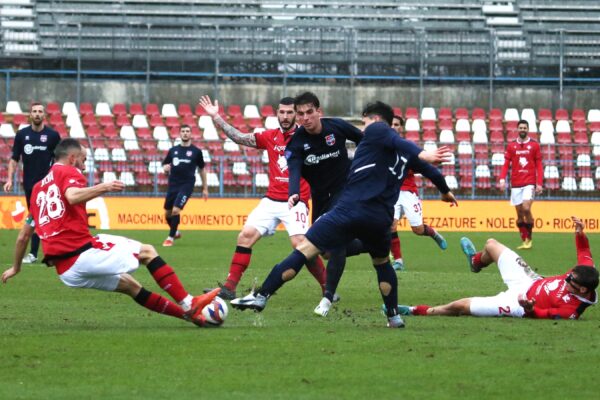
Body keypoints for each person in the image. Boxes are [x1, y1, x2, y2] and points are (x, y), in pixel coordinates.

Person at [231, 101, 457, 328]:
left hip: (349, 209)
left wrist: (425, 153)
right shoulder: (400, 153)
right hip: (381, 219)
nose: (363, 127)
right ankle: (393, 316)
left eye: (365, 121)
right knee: (381, 263)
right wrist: (446, 192)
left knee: (305, 249)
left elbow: (413, 152)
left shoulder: (378, 130)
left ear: (376, 121)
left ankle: (262, 295)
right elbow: (432, 172)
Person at [1, 138, 221, 327]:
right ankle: (189, 302)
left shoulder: (39, 189)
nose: (84, 166)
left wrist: (16, 268)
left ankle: (188, 316)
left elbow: (23, 236)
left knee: (130, 285)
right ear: (72, 158)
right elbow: (72, 196)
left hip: (65, 272)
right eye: (84, 160)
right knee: (147, 252)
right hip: (81, 254)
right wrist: (104, 187)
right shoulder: (70, 172)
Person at [197, 95, 327, 300]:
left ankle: (328, 288)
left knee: (301, 244)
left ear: (297, 115)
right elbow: (240, 137)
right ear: (276, 113)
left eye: (290, 112)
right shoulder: (270, 136)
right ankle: (229, 288)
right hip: (271, 200)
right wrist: (217, 118)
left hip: (296, 200)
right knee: (245, 235)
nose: (285, 116)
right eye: (282, 112)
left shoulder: (308, 136)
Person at [395, 216, 597, 320]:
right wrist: (580, 233)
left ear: (582, 290)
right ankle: (476, 262)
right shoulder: (585, 271)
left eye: (571, 281)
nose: (566, 279)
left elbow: (542, 315)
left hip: (518, 304)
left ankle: (415, 311)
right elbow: (584, 250)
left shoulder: (570, 311)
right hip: (531, 280)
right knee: (491, 244)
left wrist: (529, 307)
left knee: (461, 307)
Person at [284, 91, 364, 311]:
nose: (305, 118)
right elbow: (294, 170)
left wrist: (361, 165)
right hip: (320, 197)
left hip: (345, 191)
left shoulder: (336, 127)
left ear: (319, 111)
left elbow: (364, 140)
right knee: (325, 251)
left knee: (334, 239)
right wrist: (293, 192)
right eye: (300, 114)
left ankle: (328, 296)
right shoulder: (296, 143)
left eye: (309, 112)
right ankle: (372, 244)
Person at [3, 102, 61, 263]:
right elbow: (14, 159)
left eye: (40, 111)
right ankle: (40, 253)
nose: (37, 114)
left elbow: (61, 158)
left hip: (48, 184)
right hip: (29, 185)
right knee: (38, 218)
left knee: (43, 217)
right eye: (34, 111)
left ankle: (37, 254)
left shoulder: (53, 136)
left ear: (44, 115)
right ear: (30, 114)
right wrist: (9, 179)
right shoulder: (22, 135)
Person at [389, 115, 447, 272]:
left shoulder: (407, 147)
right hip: (392, 193)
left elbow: (420, 164)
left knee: (418, 229)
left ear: (401, 128)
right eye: (391, 124)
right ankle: (399, 261)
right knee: (391, 226)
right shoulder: (384, 146)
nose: (393, 127)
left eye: (396, 125)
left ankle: (433, 233)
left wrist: (430, 161)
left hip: (408, 192)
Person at [498, 119, 543, 250]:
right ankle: (524, 239)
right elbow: (506, 164)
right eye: (521, 128)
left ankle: (529, 238)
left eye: (525, 128)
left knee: (526, 208)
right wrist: (502, 179)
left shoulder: (534, 145)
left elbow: (539, 165)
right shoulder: (512, 146)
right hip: (516, 183)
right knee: (519, 215)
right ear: (517, 130)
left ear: (528, 129)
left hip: (529, 182)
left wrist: (539, 183)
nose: (523, 130)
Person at [161, 124, 208, 247]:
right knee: (167, 213)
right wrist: (165, 168)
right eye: (183, 131)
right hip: (173, 184)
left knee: (176, 210)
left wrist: (205, 188)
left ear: (191, 134)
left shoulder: (196, 152)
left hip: (187, 185)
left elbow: (202, 170)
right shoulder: (173, 150)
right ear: (180, 134)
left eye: (187, 131)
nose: (185, 133)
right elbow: (165, 165)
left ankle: (170, 238)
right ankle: (175, 231)